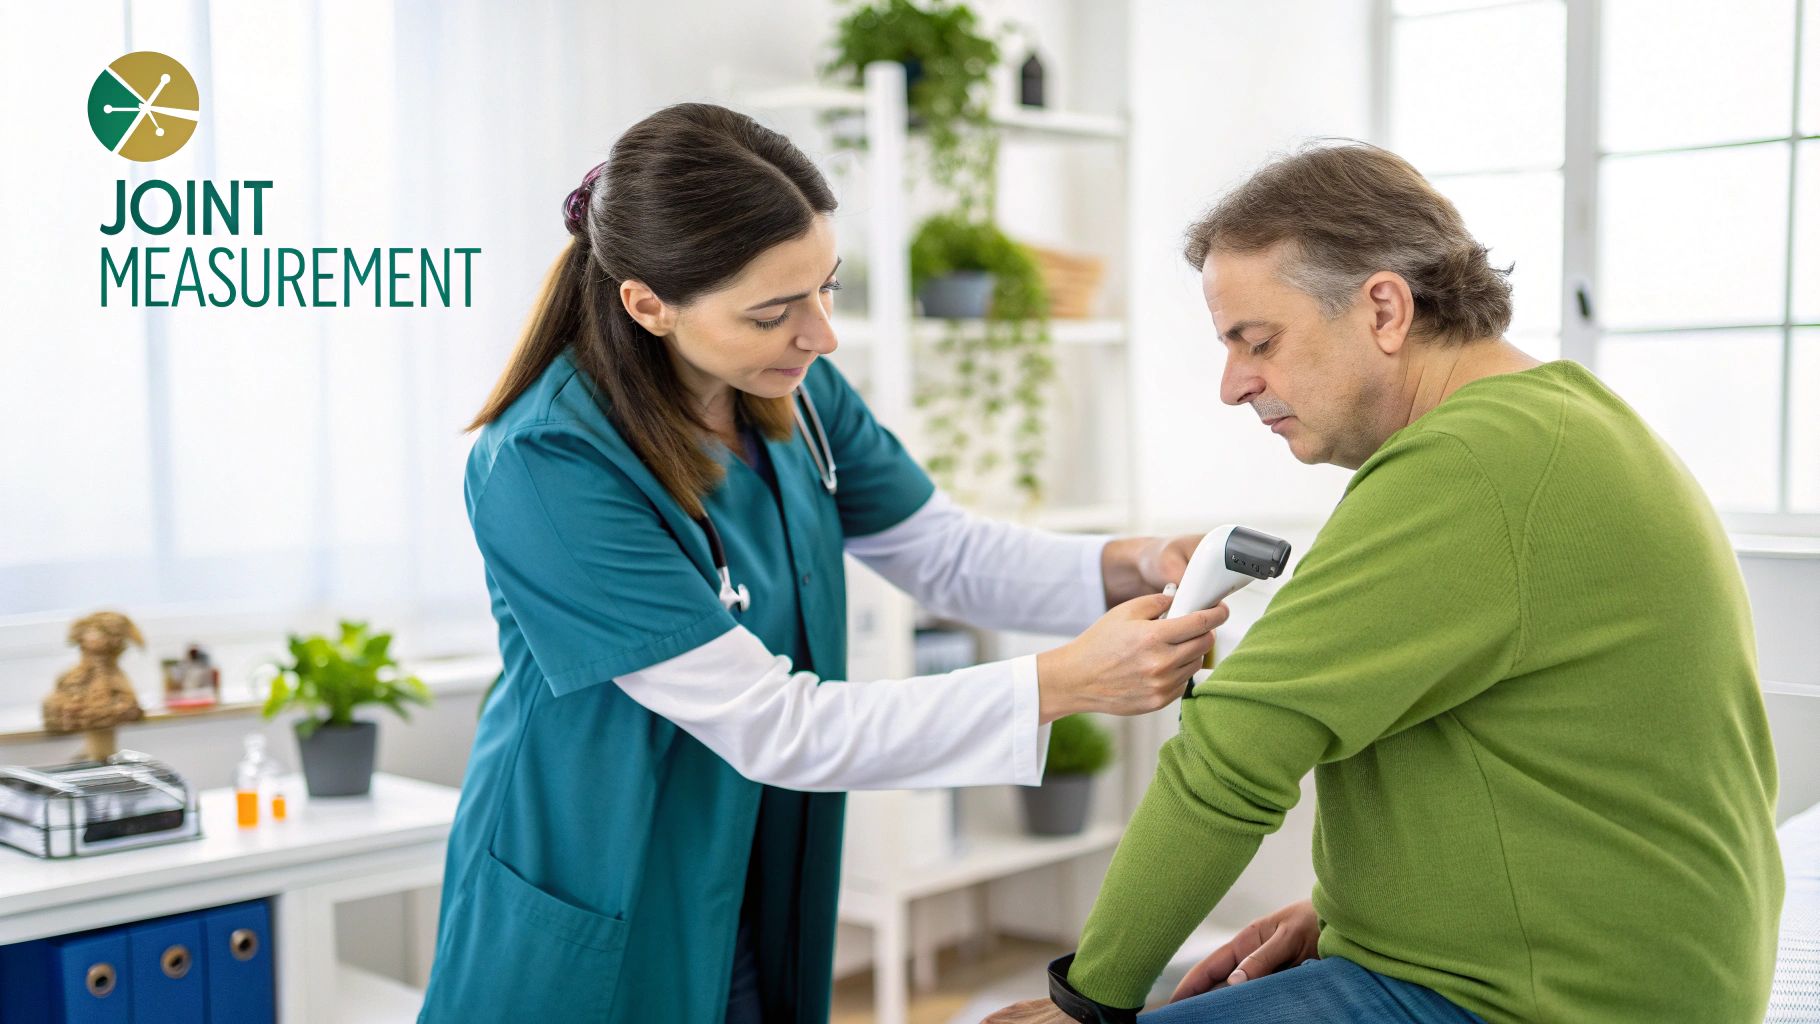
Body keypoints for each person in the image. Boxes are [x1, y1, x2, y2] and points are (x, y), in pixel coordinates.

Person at [414, 102, 1230, 1023]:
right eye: (773, 312)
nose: (821, 334)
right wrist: (1062, 682)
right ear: (648, 304)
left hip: (753, 862)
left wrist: (1135, 562)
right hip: (605, 870)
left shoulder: (792, 391)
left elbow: (942, 551)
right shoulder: (550, 462)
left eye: (825, 289)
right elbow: (775, 724)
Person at [987, 141, 1782, 1024]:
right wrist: (1349, 915)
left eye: (1259, 342)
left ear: (1384, 309)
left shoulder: (1469, 466)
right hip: (1624, 978)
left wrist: (1084, 1005)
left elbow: (1229, 763)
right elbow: (1562, 765)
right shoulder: (1558, 422)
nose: (1234, 385)